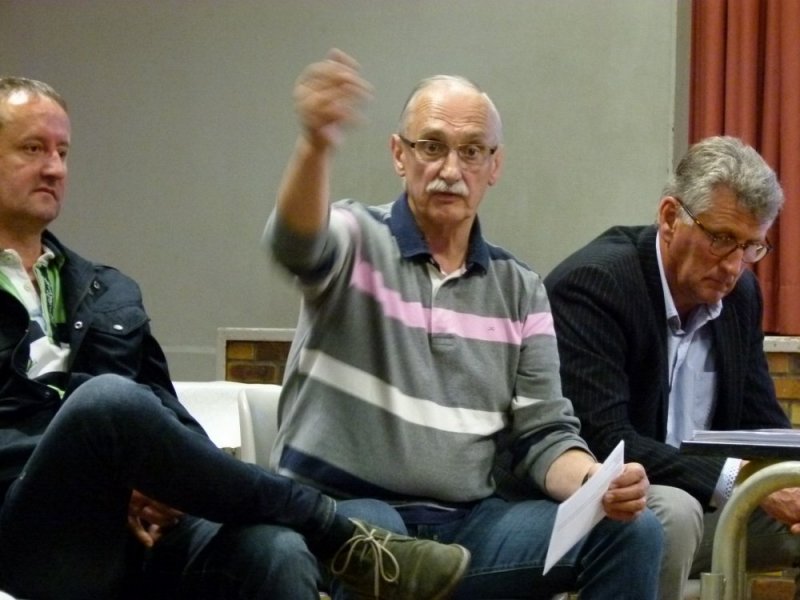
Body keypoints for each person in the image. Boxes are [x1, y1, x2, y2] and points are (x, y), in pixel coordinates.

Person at [0, 76, 472, 600]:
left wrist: (168, 480)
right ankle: (334, 530)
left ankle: (321, 534)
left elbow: (166, 414)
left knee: (275, 550)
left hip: (135, 533)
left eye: (62, 151)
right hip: (26, 537)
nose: (54, 167)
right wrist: (108, 474)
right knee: (105, 401)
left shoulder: (105, 289)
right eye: (33, 149)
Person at [262, 48, 663, 600]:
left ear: (494, 167)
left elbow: (545, 435)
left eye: (471, 151)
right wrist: (315, 144)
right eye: (432, 147)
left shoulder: (519, 288)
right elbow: (295, 244)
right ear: (399, 154)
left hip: (469, 526)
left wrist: (598, 483)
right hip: (348, 511)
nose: (451, 170)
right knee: (380, 543)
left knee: (632, 531)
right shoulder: (356, 239)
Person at [544, 135, 796, 600]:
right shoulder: (596, 285)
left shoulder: (740, 296)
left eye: (751, 247)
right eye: (721, 239)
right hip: (612, 504)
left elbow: (761, 423)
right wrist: (743, 479)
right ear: (669, 218)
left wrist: (787, 477)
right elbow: (606, 437)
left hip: (706, 500)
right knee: (675, 512)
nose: (734, 266)